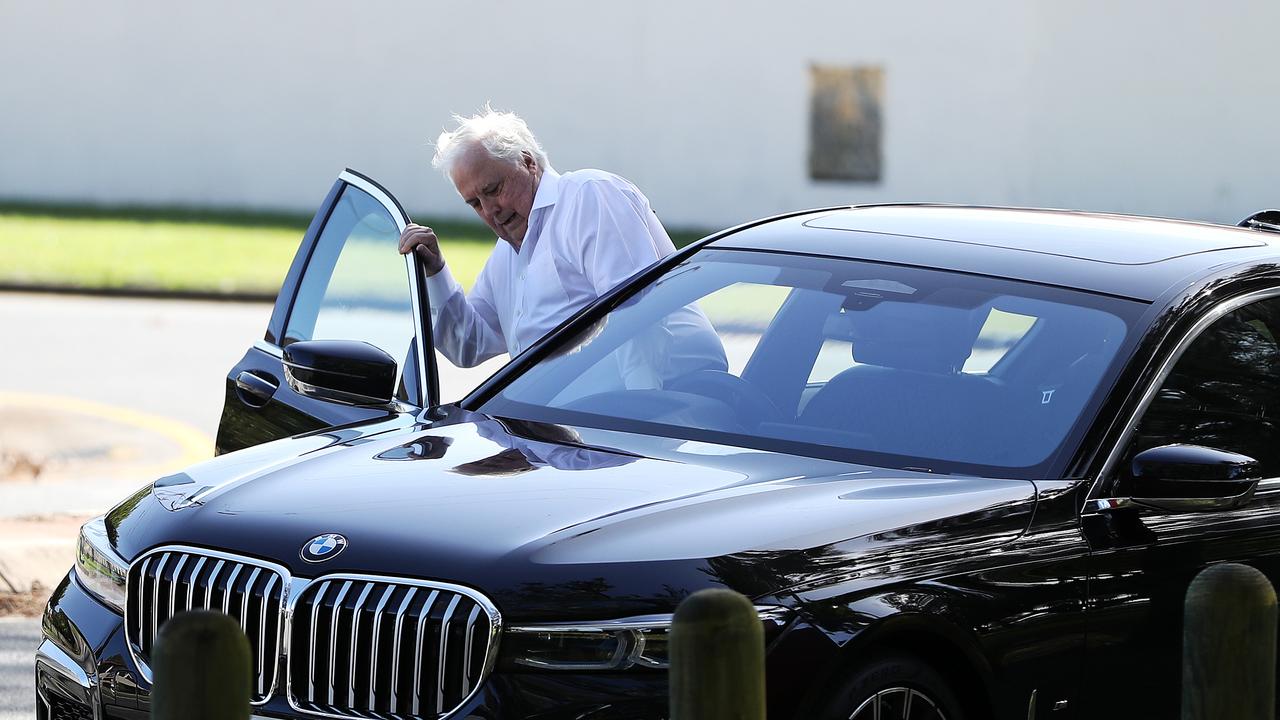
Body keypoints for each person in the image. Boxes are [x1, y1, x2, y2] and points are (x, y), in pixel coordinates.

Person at [399, 107, 726, 388]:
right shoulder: (508, 253)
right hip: (575, 422)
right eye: (475, 203)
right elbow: (468, 346)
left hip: (672, 398)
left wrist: (638, 420)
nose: (490, 210)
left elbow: (638, 316)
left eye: (493, 189)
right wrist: (435, 271)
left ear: (527, 162)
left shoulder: (589, 196)